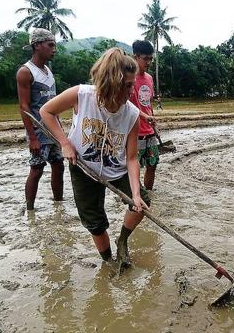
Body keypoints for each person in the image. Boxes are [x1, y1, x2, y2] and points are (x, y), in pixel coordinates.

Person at [39, 48, 150, 265]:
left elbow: (132, 158)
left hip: (116, 169)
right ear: (112, 82)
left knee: (143, 203)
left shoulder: (132, 114)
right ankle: (109, 261)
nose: (132, 91)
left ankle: (123, 240)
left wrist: (135, 194)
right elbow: (46, 112)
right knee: (94, 222)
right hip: (82, 166)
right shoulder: (82, 95)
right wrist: (65, 143)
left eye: (132, 84)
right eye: (127, 85)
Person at [16, 28, 64, 211]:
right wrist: (33, 138)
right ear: (37, 46)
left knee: (59, 166)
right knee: (37, 169)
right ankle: (30, 209)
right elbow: (24, 107)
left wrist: (60, 131)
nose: (54, 49)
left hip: (53, 130)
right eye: (50, 45)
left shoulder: (48, 71)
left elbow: (54, 104)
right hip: (38, 131)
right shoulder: (25, 72)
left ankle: (59, 205)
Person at [130, 40, 160, 191]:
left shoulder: (149, 78)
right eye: (145, 58)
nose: (148, 62)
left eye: (151, 58)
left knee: (153, 164)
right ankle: (133, 195)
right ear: (135, 57)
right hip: (134, 131)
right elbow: (126, 105)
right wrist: (144, 117)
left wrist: (153, 123)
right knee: (133, 166)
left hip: (149, 130)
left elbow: (148, 104)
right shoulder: (128, 79)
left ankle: (148, 194)